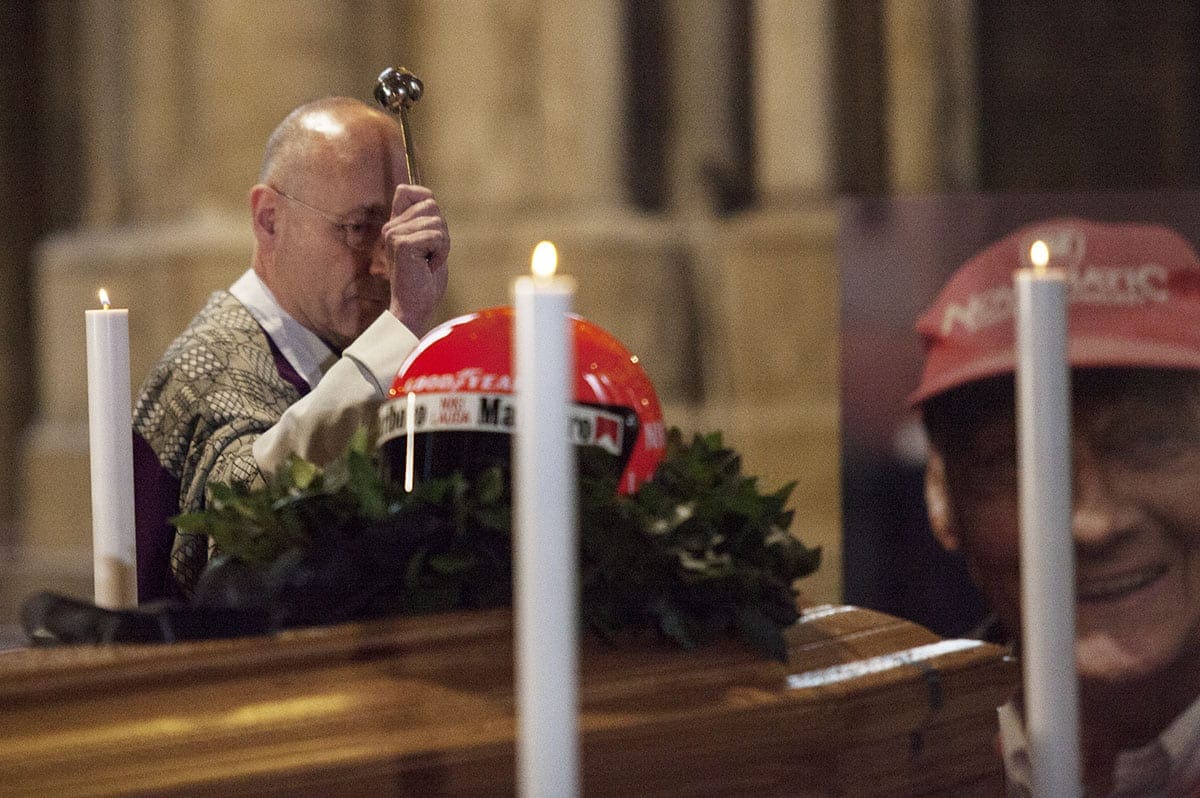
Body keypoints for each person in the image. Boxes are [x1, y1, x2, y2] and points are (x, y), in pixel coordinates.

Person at [911, 217, 1200, 795]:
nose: (1094, 524)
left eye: (1149, 440)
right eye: (1017, 457)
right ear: (943, 497)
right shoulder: (892, 772)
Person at [133, 97, 450, 602]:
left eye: (397, 238)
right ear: (269, 219)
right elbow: (253, 520)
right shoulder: (211, 365)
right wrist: (404, 323)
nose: (385, 266)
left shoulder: (334, 342)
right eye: (359, 229)